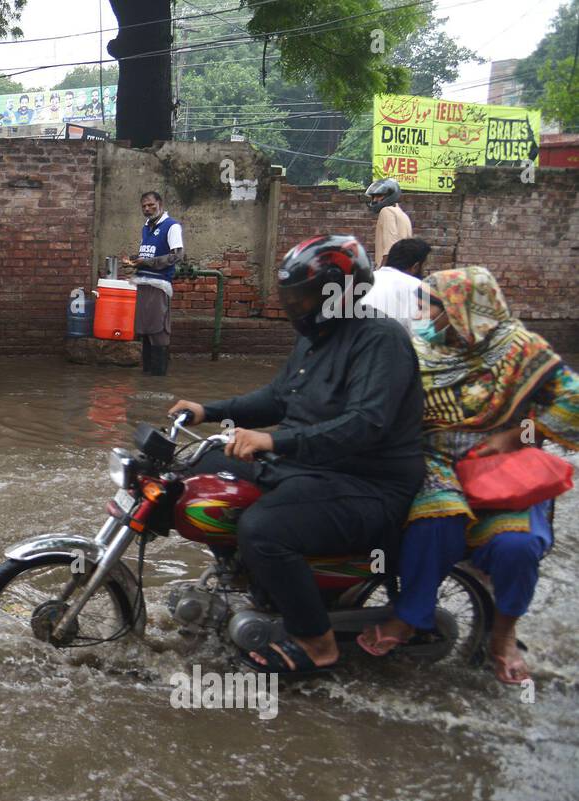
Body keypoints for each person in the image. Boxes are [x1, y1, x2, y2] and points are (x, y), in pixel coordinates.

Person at [167, 235, 426, 676]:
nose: (296, 305)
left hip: (367, 483)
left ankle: (317, 640)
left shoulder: (381, 340)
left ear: (340, 292)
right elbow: (277, 399)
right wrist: (209, 411)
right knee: (198, 469)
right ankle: (248, 579)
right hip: (312, 467)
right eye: (293, 295)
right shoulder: (316, 338)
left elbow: (364, 425)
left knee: (263, 529)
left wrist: (273, 442)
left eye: (305, 295)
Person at [358, 267, 579, 684]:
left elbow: (573, 402)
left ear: (463, 309)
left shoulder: (521, 350)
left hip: (505, 469)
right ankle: (410, 616)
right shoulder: (419, 350)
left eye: (431, 305)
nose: (421, 313)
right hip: (436, 461)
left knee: (517, 547)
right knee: (435, 521)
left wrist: (518, 434)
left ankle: (504, 635)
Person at [120, 191, 183, 376]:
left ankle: (158, 375)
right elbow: (147, 255)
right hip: (142, 283)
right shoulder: (146, 227)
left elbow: (176, 256)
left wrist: (146, 262)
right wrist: (134, 260)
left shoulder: (172, 226)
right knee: (144, 329)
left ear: (160, 204)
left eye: (151, 205)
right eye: (144, 206)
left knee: (158, 329)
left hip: (159, 284)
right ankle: (147, 376)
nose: (147, 209)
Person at [357, 237, 430, 331]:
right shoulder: (418, 287)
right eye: (424, 267)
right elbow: (421, 333)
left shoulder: (363, 279)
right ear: (416, 267)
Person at [364, 177, 412, 265]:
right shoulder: (403, 215)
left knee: (349, 277)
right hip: (403, 270)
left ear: (390, 195)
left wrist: (383, 272)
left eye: (379, 196)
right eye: (373, 196)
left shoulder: (386, 211)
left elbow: (390, 248)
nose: (374, 200)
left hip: (390, 270)